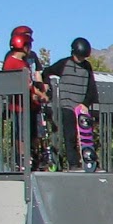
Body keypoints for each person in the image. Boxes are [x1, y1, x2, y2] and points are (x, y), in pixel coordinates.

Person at [42, 37, 100, 170]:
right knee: (70, 135)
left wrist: (86, 103)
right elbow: (47, 72)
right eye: (79, 57)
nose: (81, 60)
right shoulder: (64, 64)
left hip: (81, 107)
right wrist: (46, 85)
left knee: (87, 136)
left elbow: (91, 87)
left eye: (83, 57)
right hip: (67, 105)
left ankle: (90, 161)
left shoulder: (87, 66)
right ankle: (73, 163)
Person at [1, 25, 48, 168]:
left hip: (30, 105)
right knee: (21, 133)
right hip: (19, 105)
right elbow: (24, 85)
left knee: (33, 133)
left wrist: (40, 93)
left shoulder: (25, 62)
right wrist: (40, 94)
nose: (30, 48)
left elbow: (31, 82)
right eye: (28, 44)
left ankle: (33, 157)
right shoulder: (12, 61)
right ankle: (22, 159)